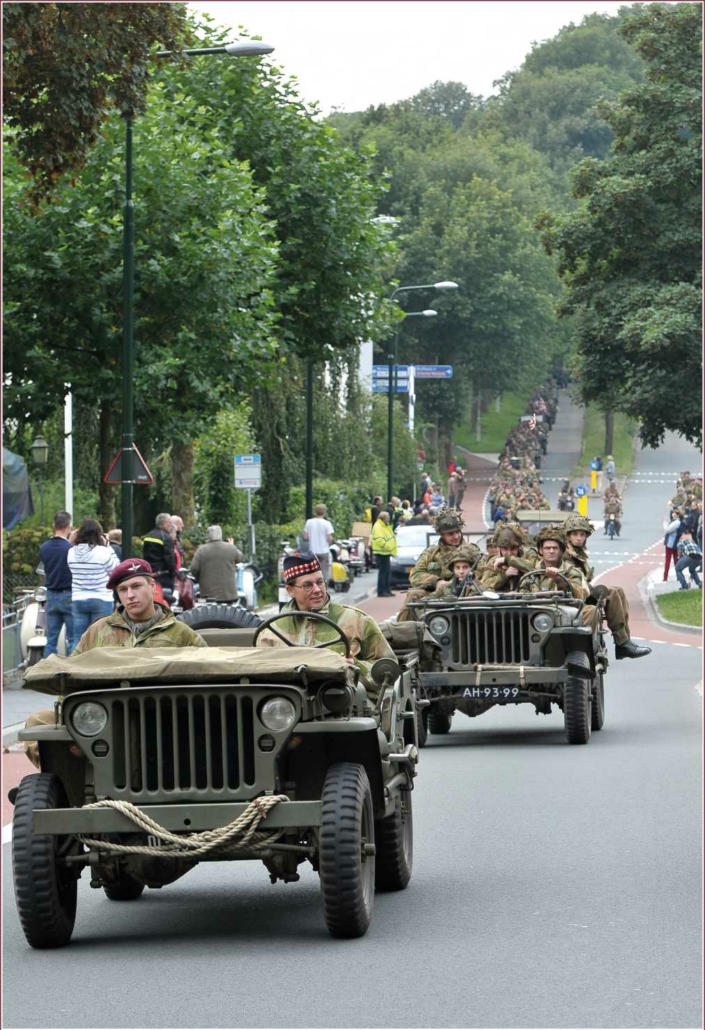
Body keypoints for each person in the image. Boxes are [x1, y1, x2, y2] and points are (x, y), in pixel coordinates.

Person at [22, 558, 207, 770]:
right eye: (123, 589)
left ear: (151, 586)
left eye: (136, 586)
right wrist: (70, 717)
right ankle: (68, 779)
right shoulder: (98, 631)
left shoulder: (182, 634)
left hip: (163, 720)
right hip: (104, 719)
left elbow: (209, 673)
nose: (130, 595)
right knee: (38, 721)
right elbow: (70, 674)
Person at [256, 552, 396, 698]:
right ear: (290, 590)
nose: (317, 590)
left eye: (320, 582)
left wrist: (355, 667)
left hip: (345, 704)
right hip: (287, 707)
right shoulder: (272, 631)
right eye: (307, 585)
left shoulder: (357, 620)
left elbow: (389, 670)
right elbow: (259, 676)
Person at [562, 512, 651, 660]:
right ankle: (622, 643)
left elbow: (583, 580)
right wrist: (595, 592)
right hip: (573, 596)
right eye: (575, 534)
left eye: (582, 534)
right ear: (568, 536)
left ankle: (624, 641)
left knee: (617, 590)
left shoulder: (578, 553)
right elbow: (575, 581)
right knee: (611, 593)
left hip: (581, 592)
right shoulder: (565, 554)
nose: (579, 538)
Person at [397, 507, 481, 621]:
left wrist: (461, 582)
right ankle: (402, 630)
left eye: (458, 532)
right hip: (435, 594)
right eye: (451, 534)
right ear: (442, 535)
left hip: (465, 593)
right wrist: (437, 582)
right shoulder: (431, 552)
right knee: (413, 594)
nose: (456, 536)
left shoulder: (472, 550)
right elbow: (415, 575)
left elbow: (482, 572)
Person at [67, 518, 119, 652]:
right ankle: (97, 664)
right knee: (100, 639)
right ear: (98, 534)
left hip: (78, 598)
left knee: (78, 638)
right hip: (102, 598)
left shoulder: (71, 552)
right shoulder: (103, 552)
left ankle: (74, 663)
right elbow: (116, 570)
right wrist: (108, 547)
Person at [39, 510, 74, 657]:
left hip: (51, 595)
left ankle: (48, 667)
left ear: (54, 525)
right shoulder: (70, 549)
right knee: (73, 638)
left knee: (51, 639)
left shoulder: (44, 547)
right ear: (68, 526)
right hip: (68, 594)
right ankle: (72, 668)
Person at [190, 525, 244, 602]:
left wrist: (200, 578)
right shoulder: (231, 548)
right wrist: (232, 546)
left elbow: (194, 569)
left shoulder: (201, 550)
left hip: (208, 594)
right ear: (220, 535)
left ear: (208, 536)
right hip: (229, 594)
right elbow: (240, 558)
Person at [479, 525, 537, 592]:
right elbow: (483, 585)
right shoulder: (493, 561)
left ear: (519, 547)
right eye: (505, 549)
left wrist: (507, 559)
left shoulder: (528, 555)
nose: (509, 553)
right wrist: (504, 575)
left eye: (513, 548)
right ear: (500, 548)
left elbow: (535, 569)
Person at [143, 512, 177, 595]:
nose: (170, 525)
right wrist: (173, 572)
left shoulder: (148, 536)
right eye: (170, 522)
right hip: (163, 575)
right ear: (164, 523)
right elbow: (169, 558)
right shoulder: (166, 537)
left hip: (150, 573)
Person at [302, 503, 334, 585]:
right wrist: (331, 541)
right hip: (324, 551)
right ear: (325, 512)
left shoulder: (309, 522)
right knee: (324, 572)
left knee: (313, 571)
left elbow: (305, 537)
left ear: (315, 512)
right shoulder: (327, 523)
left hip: (313, 552)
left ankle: (313, 587)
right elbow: (329, 538)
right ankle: (323, 588)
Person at [371, 510, 397, 597]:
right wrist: (387, 546)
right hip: (382, 552)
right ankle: (381, 591)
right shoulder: (378, 526)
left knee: (387, 572)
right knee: (383, 572)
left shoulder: (384, 525)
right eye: (388, 517)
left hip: (385, 552)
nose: (389, 519)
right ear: (384, 518)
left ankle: (387, 590)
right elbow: (379, 539)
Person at [663, 508, 685, 581]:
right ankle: (678, 576)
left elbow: (667, 530)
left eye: (674, 513)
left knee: (668, 561)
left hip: (670, 544)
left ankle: (665, 576)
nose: (672, 514)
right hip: (676, 544)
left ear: (677, 515)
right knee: (676, 560)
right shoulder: (678, 522)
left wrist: (665, 522)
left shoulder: (676, 523)